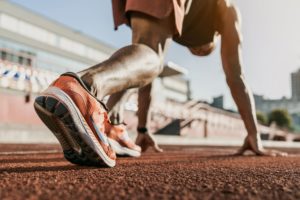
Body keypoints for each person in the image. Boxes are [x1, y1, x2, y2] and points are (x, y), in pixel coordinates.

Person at [34, 0, 286, 167]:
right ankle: (82, 88)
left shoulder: (187, 17)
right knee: (151, 57)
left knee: (143, 58)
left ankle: (109, 124)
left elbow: (141, 75)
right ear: (214, 36)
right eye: (200, 49)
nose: (195, 50)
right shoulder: (227, 9)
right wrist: (254, 133)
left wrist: (143, 129)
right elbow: (235, 75)